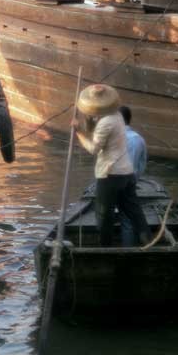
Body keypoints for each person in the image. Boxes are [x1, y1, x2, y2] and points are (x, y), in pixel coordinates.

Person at [73, 84, 151, 247]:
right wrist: (88, 119)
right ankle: (147, 239)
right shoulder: (117, 116)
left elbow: (94, 148)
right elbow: (95, 130)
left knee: (104, 216)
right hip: (127, 173)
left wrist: (78, 131)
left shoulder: (106, 122)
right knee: (134, 211)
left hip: (110, 175)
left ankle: (105, 249)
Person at [118, 105, 148, 246]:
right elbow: (142, 165)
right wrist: (134, 180)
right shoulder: (139, 139)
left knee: (106, 218)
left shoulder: (111, 138)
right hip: (129, 183)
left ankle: (112, 248)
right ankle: (132, 246)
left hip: (110, 183)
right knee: (128, 218)